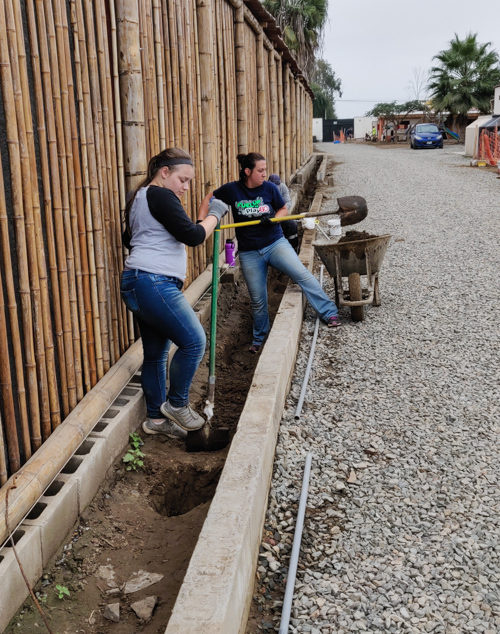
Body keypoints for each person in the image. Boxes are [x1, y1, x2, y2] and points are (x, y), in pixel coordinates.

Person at [121, 147, 229, 438]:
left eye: (189, 182)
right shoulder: (160, 194)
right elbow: (193, 235)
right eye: (183, 180)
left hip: (138, 280)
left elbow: (129, 238)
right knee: (194, 341)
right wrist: (216, 215)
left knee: (156, 354)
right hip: (153, 282)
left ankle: (156, 421)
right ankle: (177, 405)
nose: (185, 187)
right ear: (164, 172)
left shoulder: (138, 197)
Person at [199, 152, 340, 353]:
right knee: (257, 298)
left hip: (275, 244)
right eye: (261, 170)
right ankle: (259, 338)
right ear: (248, 172)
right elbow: (208, 199)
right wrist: (200, 223)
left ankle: (329, 313)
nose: (265, 174)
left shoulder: (270, 189)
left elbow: (283, 208)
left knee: (302, 275)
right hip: (249, 253)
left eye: (265, 169)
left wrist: (273, 217)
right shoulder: (232, 190)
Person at [267, 173, 299, 252]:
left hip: (280, 217)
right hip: (268, 219)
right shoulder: (264, 189)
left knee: (292, 225)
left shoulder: (283, 187)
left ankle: (294, 248)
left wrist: (281, 210)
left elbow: (288, 201)